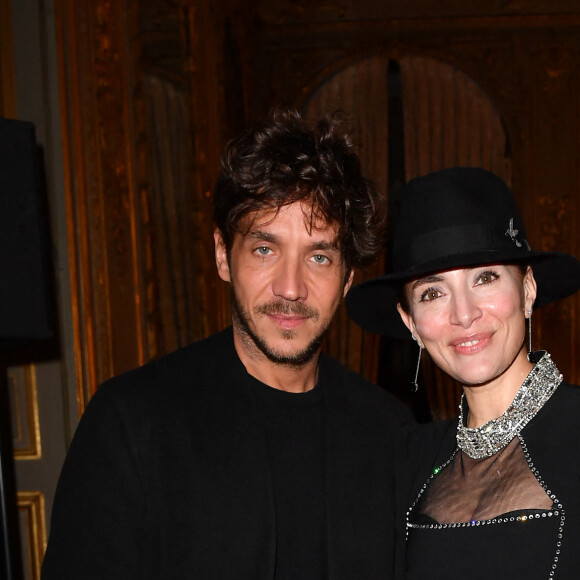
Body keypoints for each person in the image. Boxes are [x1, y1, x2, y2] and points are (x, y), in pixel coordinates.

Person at [41, 108, 413, 579]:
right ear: (223, 255)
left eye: (319, 256)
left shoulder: (389, 432)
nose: (291, 287)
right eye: (265, 249)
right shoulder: (132, 421)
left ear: (346, 279)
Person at [346, 167, 580, 579]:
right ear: (411, 322)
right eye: (432, 293)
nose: (464, 314)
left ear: (527, 289)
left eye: (485, 278)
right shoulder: (405, 461)